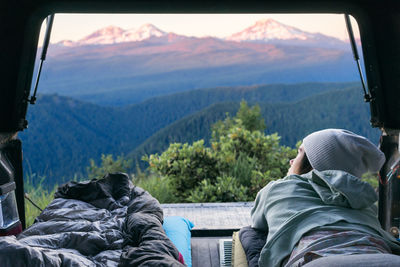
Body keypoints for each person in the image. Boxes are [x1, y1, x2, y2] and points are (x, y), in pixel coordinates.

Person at [251, 129, 400, 267]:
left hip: (318, 260)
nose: (291, 161)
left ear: (313, 165)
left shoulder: (279, 188)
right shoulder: (364, 202)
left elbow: (257, 222)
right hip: (387, 260)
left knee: (248, 235)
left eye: (299, 153)